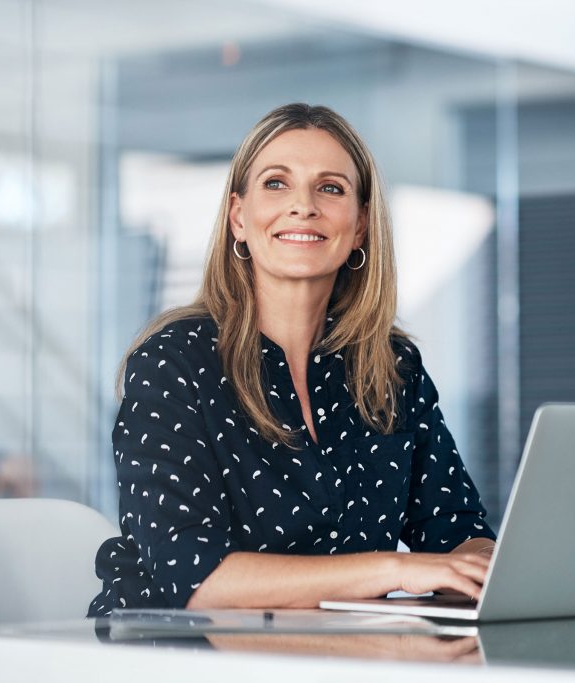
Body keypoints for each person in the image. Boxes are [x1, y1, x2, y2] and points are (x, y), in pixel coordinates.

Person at [88, 103, 495, 616]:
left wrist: (480, 565)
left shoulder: (392, 369)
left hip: (331, 655)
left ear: (361, 225)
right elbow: (195, 578)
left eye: (331, 187)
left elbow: (460, 532)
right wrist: (394, 569)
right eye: (276, 183)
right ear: (239, 216)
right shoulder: (174, 362)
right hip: (171, 656)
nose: (303, 206)